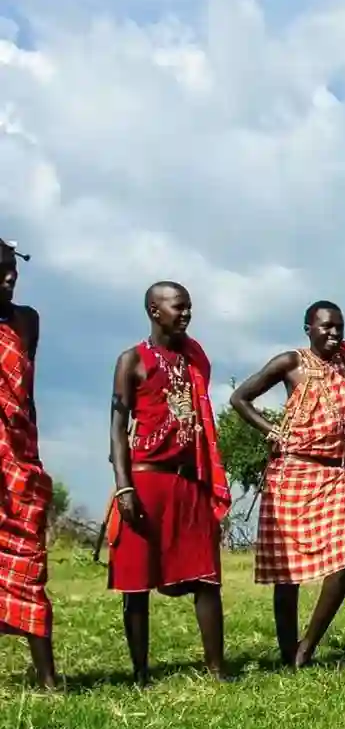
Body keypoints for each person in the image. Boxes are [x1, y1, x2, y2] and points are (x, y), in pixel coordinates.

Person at [231, 300, 345, 668]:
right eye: (326, 327)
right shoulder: (290, 363)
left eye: (339, 327)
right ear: (308, 328)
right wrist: (271, 430)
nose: (334, 333)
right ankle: (287, 652)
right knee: (286, 571)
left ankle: (308, 646)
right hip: (291, 472)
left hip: (333, 474)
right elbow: (240, 398)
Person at [108, 281, 231, 684]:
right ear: (154, 311)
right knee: (136, 582)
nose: (186, 314)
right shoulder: (133, 360)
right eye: (178, 307)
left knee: (207, 577)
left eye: (189, 307)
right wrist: (124, 487)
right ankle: (141, 674)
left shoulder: (194, 357)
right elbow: (117, 426)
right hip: (146, 481)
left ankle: (216, 670)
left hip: (189, 479)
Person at [0, 241, 58, 689]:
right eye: (0, 273)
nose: (8, 279)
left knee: (29, 565)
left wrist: (30, 454)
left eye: (12, 273)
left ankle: (48, 678)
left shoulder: (27, 321)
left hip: (20, 458)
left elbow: (26, 392)